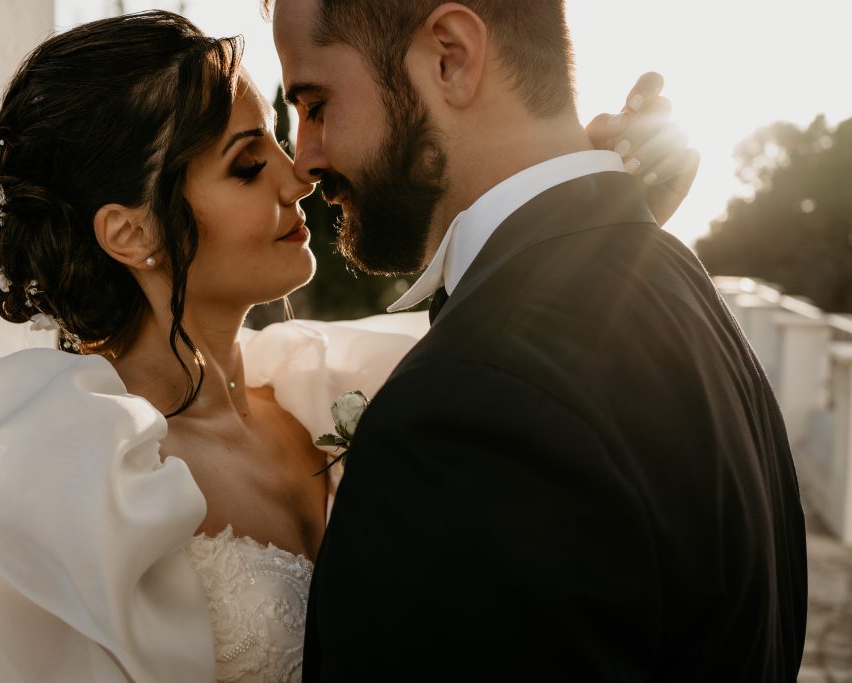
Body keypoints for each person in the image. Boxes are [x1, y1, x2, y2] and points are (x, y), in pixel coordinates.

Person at [0, 10, 700, 683]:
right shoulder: (75, 486)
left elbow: (511, 336)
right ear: (131, 231)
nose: (300, 176)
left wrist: (588, 193)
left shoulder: (322, 386)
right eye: (248, 164)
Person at [265, 0, 809, 680]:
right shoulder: (684, 288)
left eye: (315, 103)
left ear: (451, 57)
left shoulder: (463, 410)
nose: (305, 158)